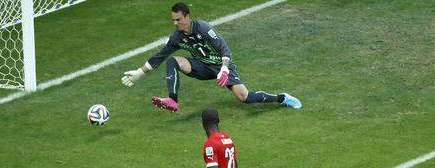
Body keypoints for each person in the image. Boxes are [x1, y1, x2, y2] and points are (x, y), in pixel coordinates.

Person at [121, 2, 302, 112]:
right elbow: (160, 56)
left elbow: (225, 49)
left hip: (221, 67)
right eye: (173, 20)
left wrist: (224, 69)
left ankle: (282, 98)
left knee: (245, 97)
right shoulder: (177, 37)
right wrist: (140, 72)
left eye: (178, 19)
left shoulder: (204, 28)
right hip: (202, 66)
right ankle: (172, 100)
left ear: (187, 16)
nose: (175, 23)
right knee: (172, 60)